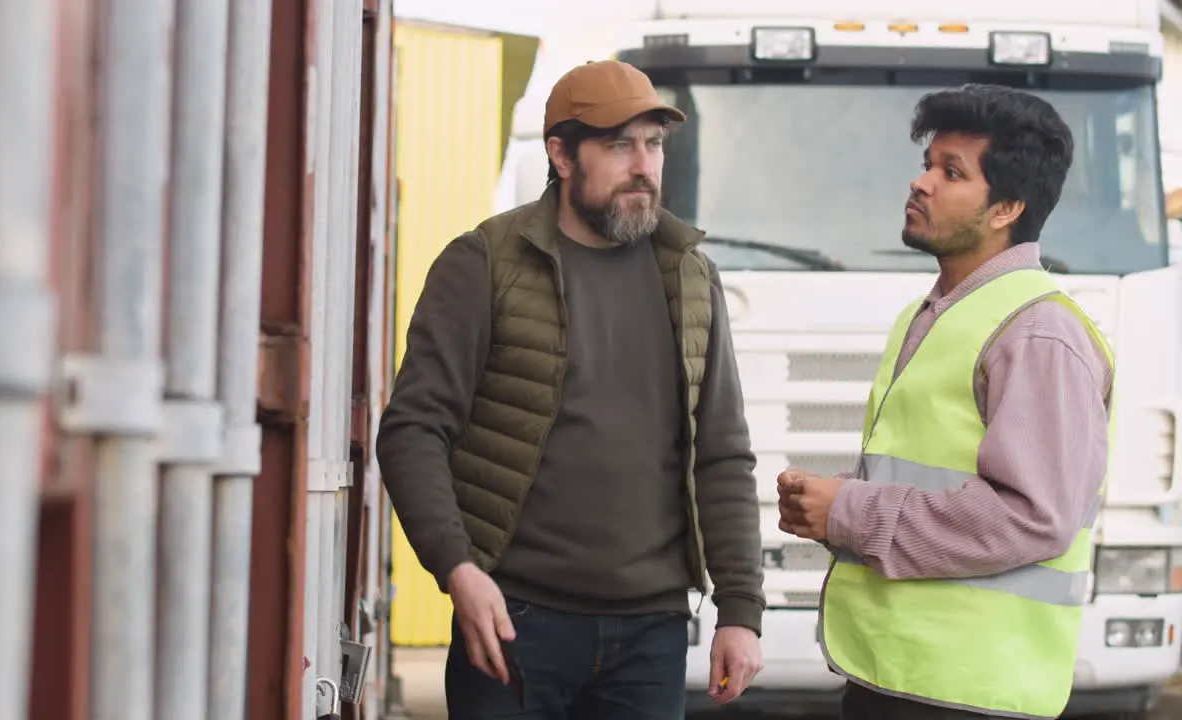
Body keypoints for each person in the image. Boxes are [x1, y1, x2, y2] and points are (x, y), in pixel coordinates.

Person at [376, 59, 766, 719]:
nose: (643, 165)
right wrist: (458, 570)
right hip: (513, 622)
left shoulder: (691, 276)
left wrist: (741, 610)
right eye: (619, 145)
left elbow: (722, 453)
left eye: (654, 144)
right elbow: (413, 428)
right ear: (560, 153)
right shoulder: (484, 264)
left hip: (652, 632)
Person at [777, 83, 1114, 720]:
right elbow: (932, 472)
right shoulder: (928, 313)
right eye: (928, 163)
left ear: (1006, 207)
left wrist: (851, 511)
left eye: (950, 172)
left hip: (971, 692)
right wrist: (832, 502)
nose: (922, 182)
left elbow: (1034, 517)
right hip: (900, 676)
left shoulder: (1038, 332)